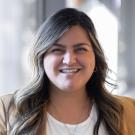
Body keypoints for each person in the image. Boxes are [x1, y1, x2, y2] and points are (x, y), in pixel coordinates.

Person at [0, 8, 135, 135]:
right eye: (57, 50)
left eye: (80, 49)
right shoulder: (5, 111)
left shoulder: (128, 112)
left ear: (95, 56)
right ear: (42, 58)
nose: (69, 60)